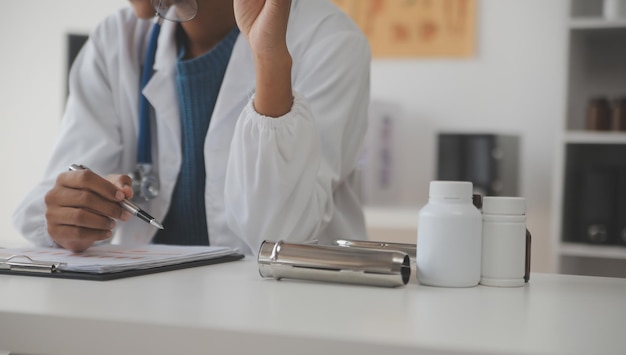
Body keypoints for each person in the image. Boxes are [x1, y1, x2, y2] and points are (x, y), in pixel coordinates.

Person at [13, 0, 370, 255]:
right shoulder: (116, 40)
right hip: (153, 307)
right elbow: (47, 203)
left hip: (282, 316)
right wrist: (71, 214)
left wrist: (270, 59)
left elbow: (280, 235)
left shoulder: (327, 40)